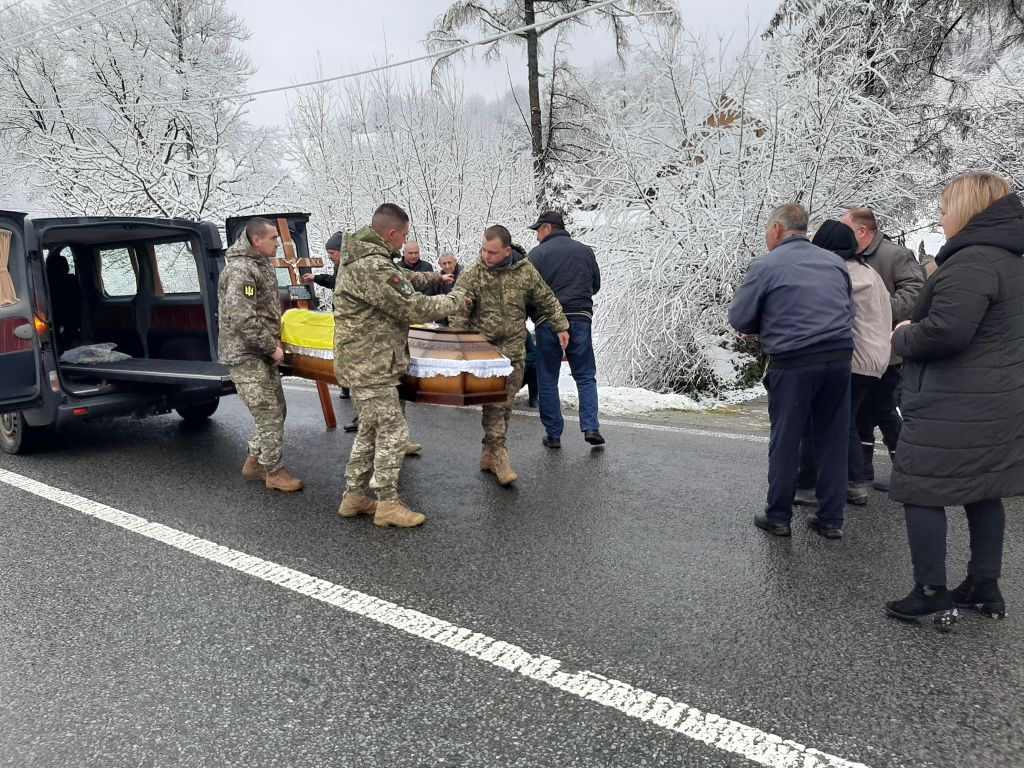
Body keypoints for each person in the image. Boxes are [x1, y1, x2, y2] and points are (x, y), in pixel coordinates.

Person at [884, 173, 1024, 624]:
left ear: (965, 212)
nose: (940, 220)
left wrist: (905, 336)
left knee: (921, 490)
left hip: (954, 404)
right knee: (983, 491)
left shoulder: (971, 262)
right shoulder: (1012, 261)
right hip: (1000, 401)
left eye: (945, 210)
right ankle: (985, 588)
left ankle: (931, 593)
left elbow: (947, 331)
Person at [333, 203, 467, 528]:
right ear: (391, 234)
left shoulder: (369, 260)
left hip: (365, 362)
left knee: (370, 429)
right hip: (372, 365)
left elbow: (406, 279)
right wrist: (457, 297)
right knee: (394, 431)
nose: (404, 241)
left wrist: (438, 276)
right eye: (404, 236)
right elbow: (413, 306)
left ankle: (354, 496)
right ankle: (387, 503)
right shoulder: (374, 268)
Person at [729, 204, 856, 539]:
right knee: (833, 439)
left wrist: (761, 325)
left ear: (776, 230)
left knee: (787, 439)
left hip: (794, 361)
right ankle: (831, 519)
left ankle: (779, 516)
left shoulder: (766, 264)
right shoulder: (833, 262)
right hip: (840, 357)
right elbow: (848, 309)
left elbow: (740, 317)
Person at [450, 224, 569, 485]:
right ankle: (500, 456)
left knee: (504, 405)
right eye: (483, 250)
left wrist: (561, 326)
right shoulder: (474, 274)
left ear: (507, 251)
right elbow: (456, 307)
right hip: (485, 352)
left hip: (514, 350)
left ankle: (488, 453)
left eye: (492, 252)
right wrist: (459, 340)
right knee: (496, 404)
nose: (486, 256)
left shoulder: (524, 271)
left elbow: (546, 298)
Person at [793, 221, 892, 507]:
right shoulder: (866, 270)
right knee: (846, 419)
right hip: (876, 355)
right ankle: (851, 482)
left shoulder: (839, 271)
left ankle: (819, 485)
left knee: (823, 420)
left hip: (854, 357)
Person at [840, 208, 925, 492]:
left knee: (886, 412)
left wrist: (877, 308)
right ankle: (860, 475)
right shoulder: (848, 258)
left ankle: (906, 475)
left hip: (889, 353)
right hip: (861, 353)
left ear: (862, 231)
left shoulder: (895, 255)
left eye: (846, 228)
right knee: (860, 415)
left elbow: (917, 294)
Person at [217, 218, 303, 492]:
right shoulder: (242, 270)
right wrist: (272, 347)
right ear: (257, 241)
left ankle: (255, 462)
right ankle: (274, 472)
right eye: (274, 238)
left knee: (278, 410)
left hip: (260, 352)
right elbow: (243, 320)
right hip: (246, 355)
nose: (279, 242)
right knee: (269, 414)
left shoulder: (259, 264)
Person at [527, 211, 604, 448]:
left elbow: (528, 292)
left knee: (548, 378)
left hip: (548, 322)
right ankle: (591, 426)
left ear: (548, 229)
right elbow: (595, 285)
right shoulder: (585, 251)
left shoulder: (537, 255)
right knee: (585, 376)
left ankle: (553, 435)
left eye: (538, 230)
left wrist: (533, 315)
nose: (537, 236)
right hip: (580, 319)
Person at [303, 232, 350, 400]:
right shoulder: (339, 265)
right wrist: (316, 278)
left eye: (332, 253)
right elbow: (334, 282)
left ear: (342, 250)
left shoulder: (352, 266)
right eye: (329, 253)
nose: (330, 257)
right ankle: (345, 385)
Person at [45, 251, 81, 351]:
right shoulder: (72, 279)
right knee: (71, 332)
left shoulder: (46, 280)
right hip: (71, 313)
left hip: (51, 312)